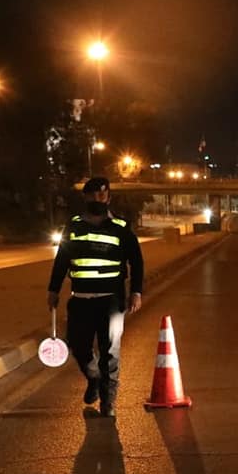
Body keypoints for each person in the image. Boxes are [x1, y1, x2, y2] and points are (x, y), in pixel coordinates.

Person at [48, 177, 144, 418]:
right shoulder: (74, 226)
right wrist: (53, 290)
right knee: (78, 346)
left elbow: (137, 261)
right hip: (80, 299)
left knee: (110, 351)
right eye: (92, 195)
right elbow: (62, 260)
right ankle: (94, 377)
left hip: (111, 301)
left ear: (108, 197)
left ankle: (108, 402)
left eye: (101, 195)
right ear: (85, 198)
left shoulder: (121, 227)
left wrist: (136, 291)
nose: (97, 199)